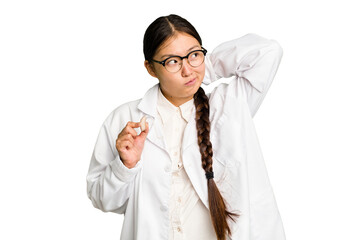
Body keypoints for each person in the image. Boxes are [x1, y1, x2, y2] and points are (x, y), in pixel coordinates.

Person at [86, 14, 286, 240]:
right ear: (150, 68)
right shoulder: (124, 119)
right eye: (172, 61)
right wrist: (125, 165)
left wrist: (203, 67)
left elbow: (269, 52)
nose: (187, 70)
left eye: (194, 54)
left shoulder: (229, 107)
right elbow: (102, 200)